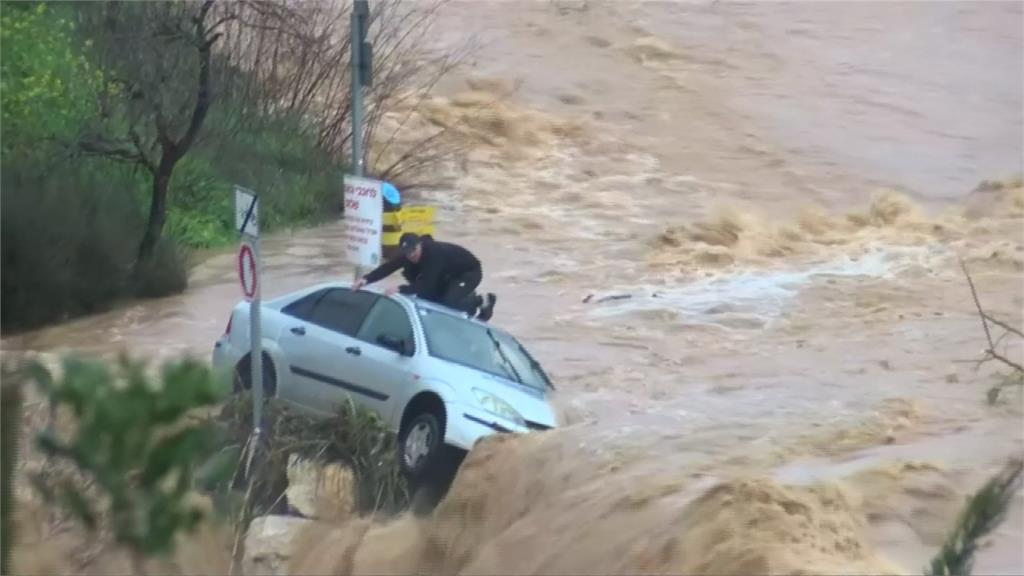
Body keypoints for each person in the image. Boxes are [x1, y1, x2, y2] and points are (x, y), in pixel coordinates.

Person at [353, 233, 497, 320]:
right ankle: (467, 305)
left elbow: (427, 285)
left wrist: (401, 288)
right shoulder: (407, 255)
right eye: (408, 253)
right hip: (450, 275)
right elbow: (388, 268)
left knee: (447, 302)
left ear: (420, 245)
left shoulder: (434, 254)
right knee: (432, 298)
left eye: (414, 251)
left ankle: (480, 301)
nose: (411, 256)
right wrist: (365, 279)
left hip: (469, 272)